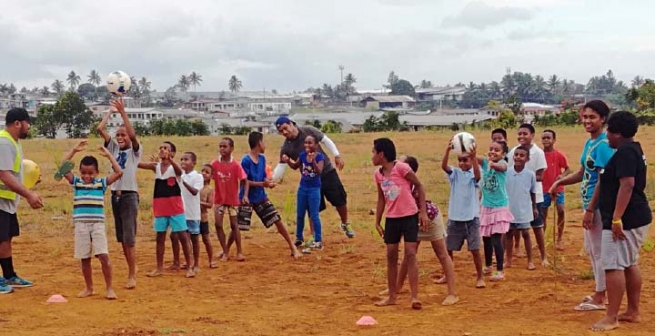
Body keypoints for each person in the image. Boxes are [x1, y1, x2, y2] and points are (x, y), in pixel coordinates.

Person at [588, 111, 651, 332]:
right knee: (629, 263)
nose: (607, 135)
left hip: (626, 218)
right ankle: (632, 311)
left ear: (618, 133)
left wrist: (616, 218)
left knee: (613, 265)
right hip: (635, 216)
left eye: (609, 131)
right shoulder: (633, 149)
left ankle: (611, 316)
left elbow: (627, 184)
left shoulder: (625, 153)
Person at [549, 100, 614, 311]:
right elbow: (583, 172)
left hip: (597, 207)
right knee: (593, 250)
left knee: (599, 251)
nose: (587, 121)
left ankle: (601, 296)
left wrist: (589, 209)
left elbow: (603, 180)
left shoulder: (603, 145)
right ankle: (599, 290)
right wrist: (560, 182)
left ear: (603, 119)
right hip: (590, 205)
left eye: (592, 117)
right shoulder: (591, 143)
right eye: (585, 117)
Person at [380, 155, 458, 306]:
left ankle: (452, 293)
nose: (396, 164)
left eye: (401, 163)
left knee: (442, 254)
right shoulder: (398, 180)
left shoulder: (411, 183)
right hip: (412, 221)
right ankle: (396, 287)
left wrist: (423, 214)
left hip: (429, 219)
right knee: (409, 255)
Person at [272, 117, 355, 239]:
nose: (284, 132)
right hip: (310, 180)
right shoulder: (286, 147)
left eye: (285, 128)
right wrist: (271, 178)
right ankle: (314, 236)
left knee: (340, 201)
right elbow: (281, 167)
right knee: (312, 209)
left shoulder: (308, 130)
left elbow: (326, 140)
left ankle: (345, 223)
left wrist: (337, 155)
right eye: (281, 131)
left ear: (291, 124)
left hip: (327, 172)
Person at [60, 140, 122, 299]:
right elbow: (62, 168)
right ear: (80, 172)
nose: (87, 176)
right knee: (84, 258)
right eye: (84, 173)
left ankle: (109, 288)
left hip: (97, 225)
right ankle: (89, 288)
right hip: (81, 225)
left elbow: (118, 172)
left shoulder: (101, 183)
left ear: (97, 172)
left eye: (90, 173)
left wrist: (108, 155)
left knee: (103, 256)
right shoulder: (77, 183)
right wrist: (74, 150)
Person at [372, 138, 429, 310]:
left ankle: (414, 296)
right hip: (392, 218)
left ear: (381, 155)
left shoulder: (401, 168)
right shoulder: (378, 175)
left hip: (409, 216)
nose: (372, 156)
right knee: (391, 255)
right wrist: (378, 221)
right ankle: (392, 296)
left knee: (410, 254)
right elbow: (381, 198)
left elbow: (419, 185)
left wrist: (423, 211)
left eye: (374, 152)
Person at [98, 99, 141, 289]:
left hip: (129, 196)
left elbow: (132, 134)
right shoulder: (113, 148)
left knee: (129, 238)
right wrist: (110, 112)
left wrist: (123, 113)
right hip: (115, 195)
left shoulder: (135, 152)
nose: (121, 137)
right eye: (118, 135)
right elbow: (100, 129)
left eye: (123, 135)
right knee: (122, 238)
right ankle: (132, 268)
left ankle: (132, 273)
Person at [0, 108, 44, 294]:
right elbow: (3, 174)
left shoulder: (14, 142)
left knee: (6, 239)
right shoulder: (4, 143)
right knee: (0, 239)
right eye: (27, 122)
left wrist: (30, 180)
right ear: (18, 123)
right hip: (0, 201)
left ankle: (9, 275)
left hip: (8, 201)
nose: (29, 126)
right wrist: (28, 194)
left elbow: (14, 171)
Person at [240, 132, 301, 258]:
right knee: (239, 224)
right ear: (259, 143)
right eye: (263, 142)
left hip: (260, 196)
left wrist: (267, 182)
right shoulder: (246, 160)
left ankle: (292, 247)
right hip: (247, 197)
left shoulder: (262, 159)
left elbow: (263, 177)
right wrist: (263, 184)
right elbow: (244, 181)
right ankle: (226, 249)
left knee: (276, 219)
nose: (265, 145)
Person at [139, 142, 194, 278]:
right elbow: (138, 164)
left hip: (175, 207)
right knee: (160, 237)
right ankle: (159, 268)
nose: (162, 150)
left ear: (172, 154)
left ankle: (190, 266)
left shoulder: (174, 168)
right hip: (160, 206)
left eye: (166, 148)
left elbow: (179, 172)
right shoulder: (156, 167)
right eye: (161, 148)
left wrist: (170, 159)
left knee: (182, 236)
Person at [441, 139, 484, 288]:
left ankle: (480, 277)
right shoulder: (455, 174)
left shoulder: (474, 173)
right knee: (449, 248)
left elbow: (478, 177)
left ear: (471, 161)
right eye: (460, 160)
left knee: (475, 249)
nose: (462, 163)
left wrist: (474, 157)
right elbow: (444, 166)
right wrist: (447, 151)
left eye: (465, 160)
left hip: (471, 218)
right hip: (455, 217)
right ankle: (447, 274)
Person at [508, 124, 549, 267]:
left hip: (534, 196)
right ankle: (512, 254)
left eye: (525, 134)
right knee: (512, 229)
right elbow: (509, 171)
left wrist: (525, 178)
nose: (522, 137)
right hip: (515, 196)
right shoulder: (514, 151)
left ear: (532, 135)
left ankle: (543, 256)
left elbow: (540, 175)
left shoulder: (538, 153)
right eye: (519, 134)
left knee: (537, 227)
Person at [282, 135, 325, 251]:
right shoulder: (302, 155)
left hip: (314, 189)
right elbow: (295, 166)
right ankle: (299, 237)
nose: (307, 145)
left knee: (314, 215)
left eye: (310, 143)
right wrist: (287, 161)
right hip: (303, 188)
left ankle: (318, 240)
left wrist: (313, 162)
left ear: (316, 145)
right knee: (300, 214)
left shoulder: (320, 157)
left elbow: (319, 171)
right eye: (305, 143)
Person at [478, 141, 513, 281]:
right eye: (490, 149)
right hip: (486, 206)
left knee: (496, 239)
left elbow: (501, 167)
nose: (493, 152)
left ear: (503, 154)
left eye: (497, 150)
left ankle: (500, 270)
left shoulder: (504, 163)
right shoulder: (486, 162)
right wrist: (469, 148)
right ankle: (487, 266)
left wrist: (493, 164)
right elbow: (474, 157)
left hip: (499, 206)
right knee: (485, 238)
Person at [211, 138, 248, 262]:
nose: (222, 149)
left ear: (231, 148)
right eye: (220, 146)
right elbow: (208, 176)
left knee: (234, 225)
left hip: (232, 200)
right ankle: (225, 251)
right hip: (219, 200)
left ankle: (239, 251)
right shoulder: (214, 164)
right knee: (218, 224)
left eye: (225, 146)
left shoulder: (236, 165)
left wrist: (245, 195)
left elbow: (245, 180)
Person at [504, 145, 538, 270]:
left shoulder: (530, 174)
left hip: (524, 209)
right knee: (509, 234)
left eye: (522, 155)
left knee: (526, 233)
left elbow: (533, 192)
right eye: (516, 155)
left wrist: (534, 207)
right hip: (509, 208)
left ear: (527, 159)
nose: (518, 157)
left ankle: (530, 260)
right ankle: (508, 260)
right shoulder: (507, 172)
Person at [541, 129, 570, 250]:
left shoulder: (559, 155)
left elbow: (568, 169)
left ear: (554, 140)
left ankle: (559, 239)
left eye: (548, 138)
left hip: (558, 188)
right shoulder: (539, 155)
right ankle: (541, 238)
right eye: (544, 138)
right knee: (543, 214)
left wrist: (562, 176)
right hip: (543, 189)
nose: (546, 140)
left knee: (561, 211)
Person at [180, 152, 205, 274]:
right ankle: (188, 261)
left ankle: (196, 263)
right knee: (185, 239)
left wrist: (182, 182)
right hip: (181, 213)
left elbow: (195, 192)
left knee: (194, 239)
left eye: (186, 159)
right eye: (182, 159)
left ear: (194, 163)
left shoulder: (198, 177)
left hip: (193, 213)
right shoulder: (180, 175)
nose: (183, 162)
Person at [199, 164, 216, 268]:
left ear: (211, 176)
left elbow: (210, 205)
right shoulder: (196, 186)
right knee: (191, 239)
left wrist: (198, 202)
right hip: (193, 217)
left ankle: (211, 260)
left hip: (202, 217)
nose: (204, 173)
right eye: (202, 171)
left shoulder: (209, 189)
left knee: (206, 239)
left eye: (207, 172)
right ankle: (189, 260)